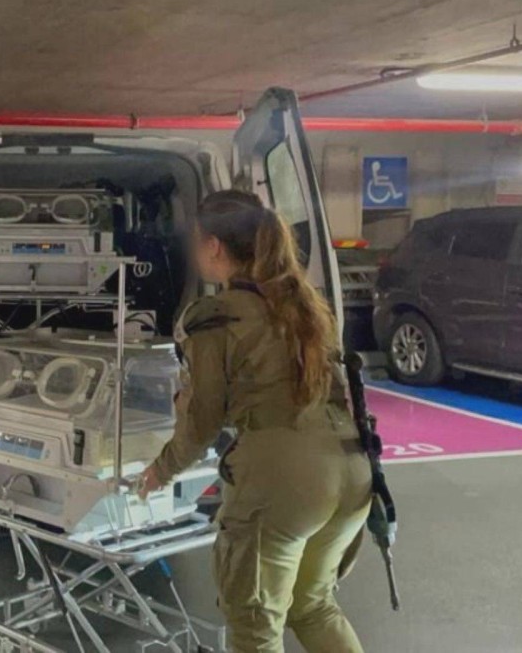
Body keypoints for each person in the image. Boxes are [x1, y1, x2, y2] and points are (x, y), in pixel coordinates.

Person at [139, 189, 371, 652]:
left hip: (283, 479)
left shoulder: (216, 318)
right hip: (352, 468)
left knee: (254, 628)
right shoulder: (302, 305)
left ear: (213, 247)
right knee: (313, 606)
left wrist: (160, 471)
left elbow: (203, 418)